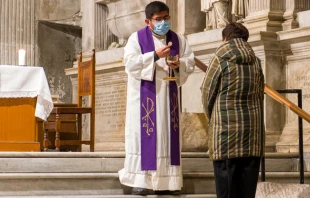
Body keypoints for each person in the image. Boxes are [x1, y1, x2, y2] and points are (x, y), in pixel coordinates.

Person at [118, 1, 195, 196]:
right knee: (142, 137)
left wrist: (179, 64)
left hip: (169, 98)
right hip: (145, 96)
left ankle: (168, 183)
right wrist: (154, 55)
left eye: (166, 18)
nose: (163, 22)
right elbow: (130, 64)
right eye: (158, 19)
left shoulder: (178, 39)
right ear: (148, 21)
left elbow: (190, 62)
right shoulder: (136, 39)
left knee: (167, 137)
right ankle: (141, 181)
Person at [201, 23, 264, 198]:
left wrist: (212, 118)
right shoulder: (256, 61)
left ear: (225, 38)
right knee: (247, 191)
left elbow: (207, 92)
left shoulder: (220, 58)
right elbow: (260, 94)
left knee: (226, 191)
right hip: (252, 137)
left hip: (225, 136)